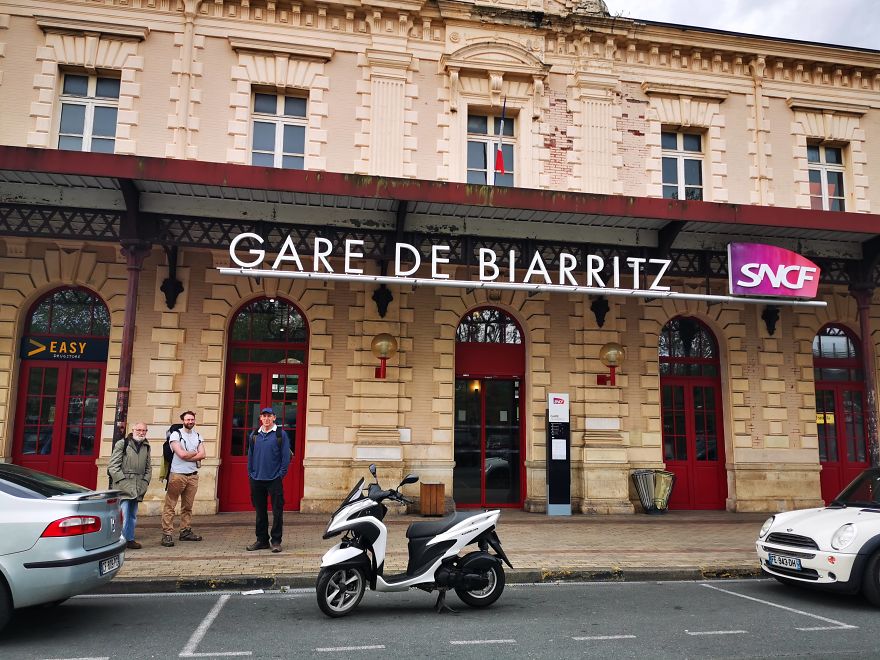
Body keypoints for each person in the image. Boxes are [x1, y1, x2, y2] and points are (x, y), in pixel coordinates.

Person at [246, 407, 291, 553]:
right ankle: (262, 540)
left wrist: (280, 475)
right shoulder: (254, 434)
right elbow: (250, 456)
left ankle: (276, 541)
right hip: (257, 479)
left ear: (274, 418)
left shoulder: (280, 434)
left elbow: (285, 457)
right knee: (260, 512)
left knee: (277, 512)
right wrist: (251, 473)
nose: (266, 419)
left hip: (274, 479)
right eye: (264, 416)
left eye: (269, 416)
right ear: (260, 418)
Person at [161, 410, 206, 547]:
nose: (190, 422)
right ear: (183, 421)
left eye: (192, 419)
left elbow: (203, 454)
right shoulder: (176, 435)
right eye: (187, 420)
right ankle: (167, 534)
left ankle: (185, 531)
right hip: (177, 475)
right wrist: (194, 453)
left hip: (192, 475)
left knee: (188, 507)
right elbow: (181, 455)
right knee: (170, 505)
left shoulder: (198, 435)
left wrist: (190, 454)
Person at [107, 422, 152, 549]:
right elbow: (113, 467)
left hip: (138, 485)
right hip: (123, 485)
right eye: (139, 430)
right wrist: (123, 482)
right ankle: (119, 541)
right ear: (132, 430)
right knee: (123, 515)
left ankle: (129, 539)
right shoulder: (123, 443)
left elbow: (149, 468)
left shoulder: (146, 446)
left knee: (132, 515)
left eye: (144, 430)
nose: (141, 432)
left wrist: (145, 482)